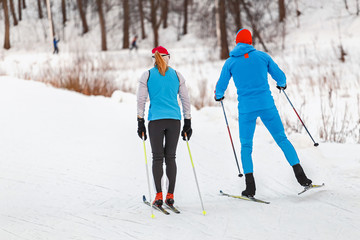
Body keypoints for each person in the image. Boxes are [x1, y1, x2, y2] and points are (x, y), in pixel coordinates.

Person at [214, 28, 312, 197]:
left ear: (237, 42)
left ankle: (250, 188)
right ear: (250, 42)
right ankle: (302, 178)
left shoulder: (230, 62)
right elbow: (280, 76)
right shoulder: (262, 57)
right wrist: (282, 84)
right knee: (282, 139)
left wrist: (218, 96)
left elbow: (220, 86)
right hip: (267, 105)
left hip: (246, 110)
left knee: (246, 146)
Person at [137, 46, 192, 207]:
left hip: (156, 121)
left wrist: (140, 121)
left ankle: (159, 196)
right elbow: (185, 99)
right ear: (168, 58)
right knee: (171, 158)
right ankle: (170, 195)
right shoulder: (177, 75)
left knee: (157, 158)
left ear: (154, 59)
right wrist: (187, 122)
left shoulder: (147, 75)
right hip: (174, 120)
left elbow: (141, 100)